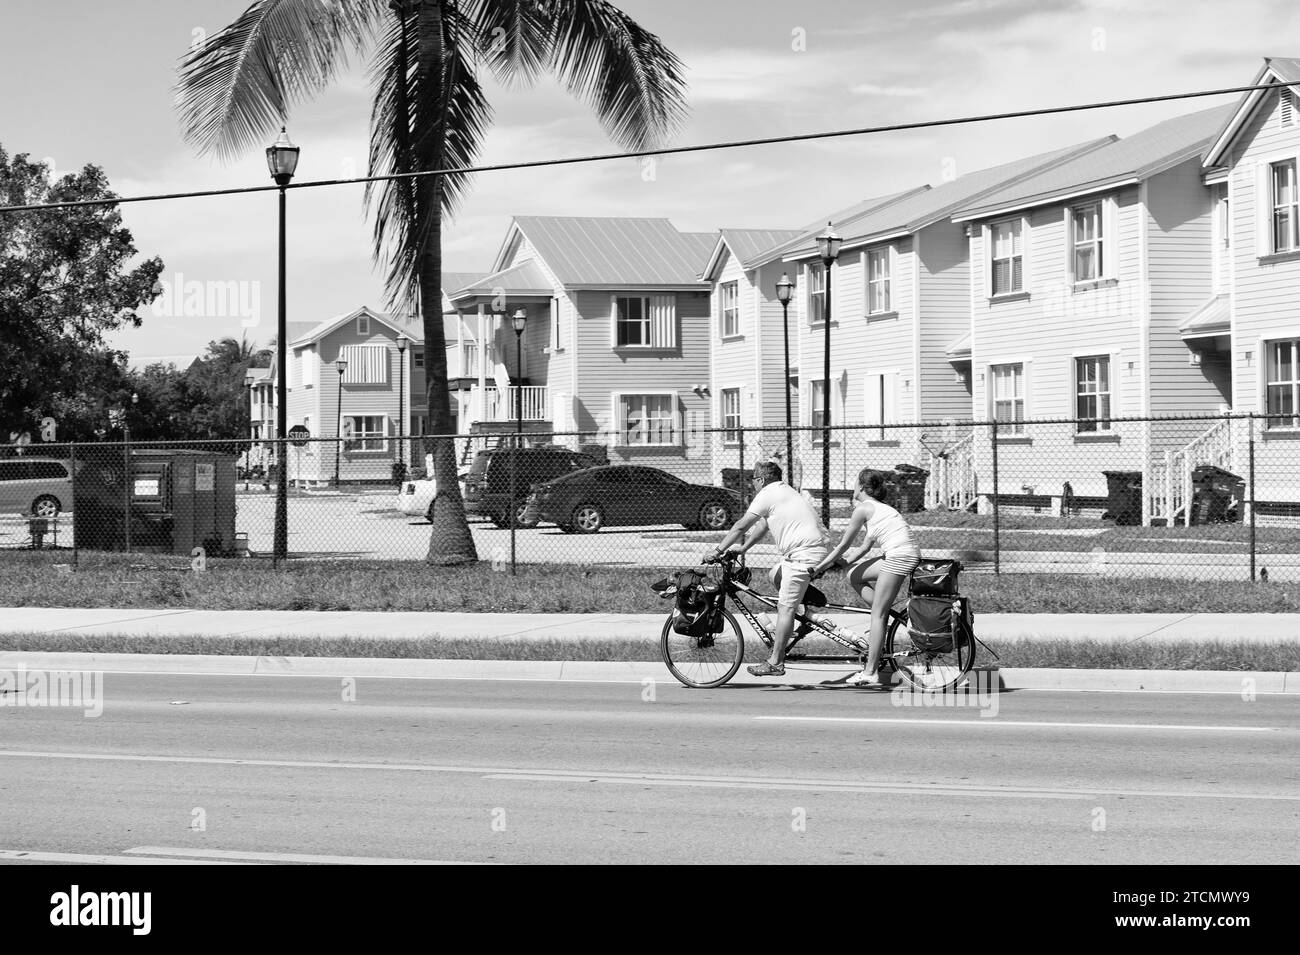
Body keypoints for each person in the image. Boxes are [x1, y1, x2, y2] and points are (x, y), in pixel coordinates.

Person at [708, 461, 829, 677]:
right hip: (811, 551)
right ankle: (806, 616)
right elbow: (763, 525)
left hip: (803, 555)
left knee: (785, 608)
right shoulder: (785, 491)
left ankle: (775, 662)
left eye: (753, 480)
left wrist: (717, 550)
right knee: (776, 575)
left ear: (761, 480)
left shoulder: (767, 493)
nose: (752, 484)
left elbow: (740, 526)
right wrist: (743, 548)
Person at [812, 468, 921, 687]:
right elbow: (861, 549)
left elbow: (843, 544)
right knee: (855, 574)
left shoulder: (862, 509)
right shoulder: (880, 509)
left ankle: (870, 671)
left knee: (877, 616)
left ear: (861, 486)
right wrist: (842, 563)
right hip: (904, 554)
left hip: (898, 557)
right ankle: (884, 613)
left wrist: (819, 567)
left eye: (854, 482)